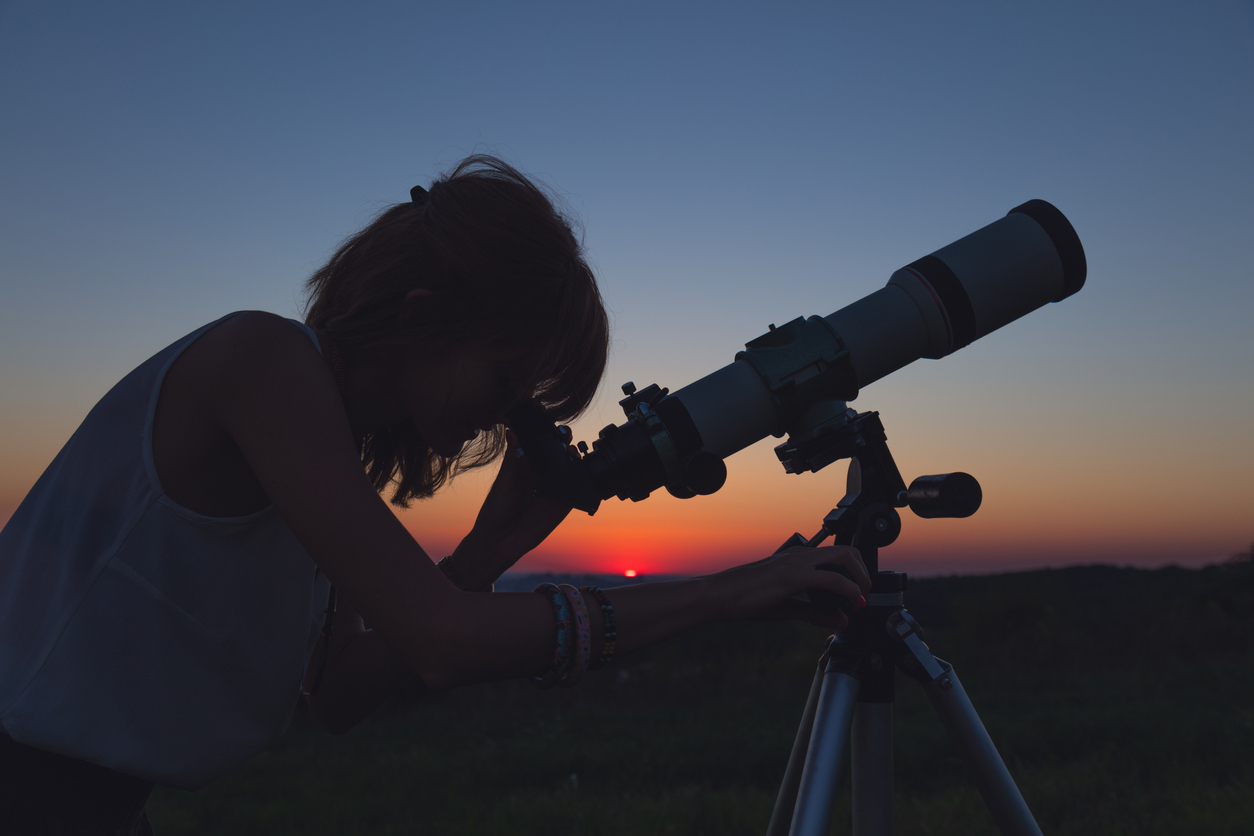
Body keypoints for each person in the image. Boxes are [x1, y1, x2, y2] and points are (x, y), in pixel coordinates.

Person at [0, 155, 868, 833]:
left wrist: (486, 556)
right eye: (506, 379)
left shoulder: (319, 444)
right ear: (423, 314)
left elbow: (338, 693)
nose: (503, 416)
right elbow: (442, 641)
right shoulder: (261, 361)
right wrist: (729, 592)